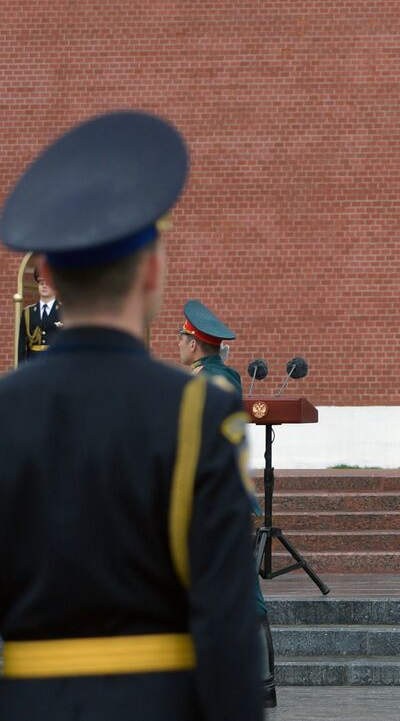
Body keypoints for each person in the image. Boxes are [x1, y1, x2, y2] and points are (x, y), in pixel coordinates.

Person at [0, 111, 263, 719]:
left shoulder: (7, 413)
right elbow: (226, 625)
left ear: (48, 276)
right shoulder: (200, 414)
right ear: (150, 271)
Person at [176, 299, 278, 707]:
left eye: (182, 338)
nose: (178, 345)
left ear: (195, 344)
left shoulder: (210, 381)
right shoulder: (220, 376)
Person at [178, 300, 243, 393]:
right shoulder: (231, 374)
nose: (179, 344)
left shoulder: (200, 377)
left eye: (182, 339)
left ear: (192, 345)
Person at [16, 267, 62, 364]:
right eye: (41, 282)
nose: (44, 286)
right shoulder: (28, 312)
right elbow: (22, 346)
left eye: (47, 283)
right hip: (33, 364)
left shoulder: (64, 311)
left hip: (56, 363)